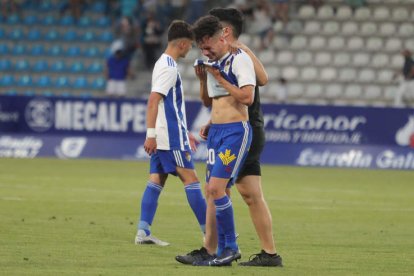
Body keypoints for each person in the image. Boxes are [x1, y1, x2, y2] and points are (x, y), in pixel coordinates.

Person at [176, 8, 283, 267]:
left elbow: (261, 82)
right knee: (237, 192)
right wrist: (212, 120)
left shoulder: (240, 54)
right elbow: (214, 100)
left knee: (223, 190)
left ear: (225, 32)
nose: (205, 45)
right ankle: (236, 250)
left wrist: (236, 53)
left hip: (246, 128)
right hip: (226, 129)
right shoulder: (216, 60)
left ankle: (220, 248)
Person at [186, 14, 255, 266]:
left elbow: (247, 97)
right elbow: (208, 102)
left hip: (236, 133)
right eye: (201, 47)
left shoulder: (240, 60)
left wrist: (220, 78)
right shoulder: (213, 63)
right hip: (216, 133)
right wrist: (204, 79)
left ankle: (231, 248)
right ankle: (217, 249)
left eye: (208, 46)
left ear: (222, 37)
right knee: (213, 191)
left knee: (216, 189)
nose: (205, 51)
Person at [134, 20, 207, 246]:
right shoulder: (168, 67)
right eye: (191, 45)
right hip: (169, 137)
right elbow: (153, 101)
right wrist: (151, 134)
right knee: (191, 179)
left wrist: (186, 133)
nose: (190, 48)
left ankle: (143, 231)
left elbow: (170, 107)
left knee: (156, 179)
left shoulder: (163, 63)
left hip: (169, 133)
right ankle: (212, 234)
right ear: (183, 43)